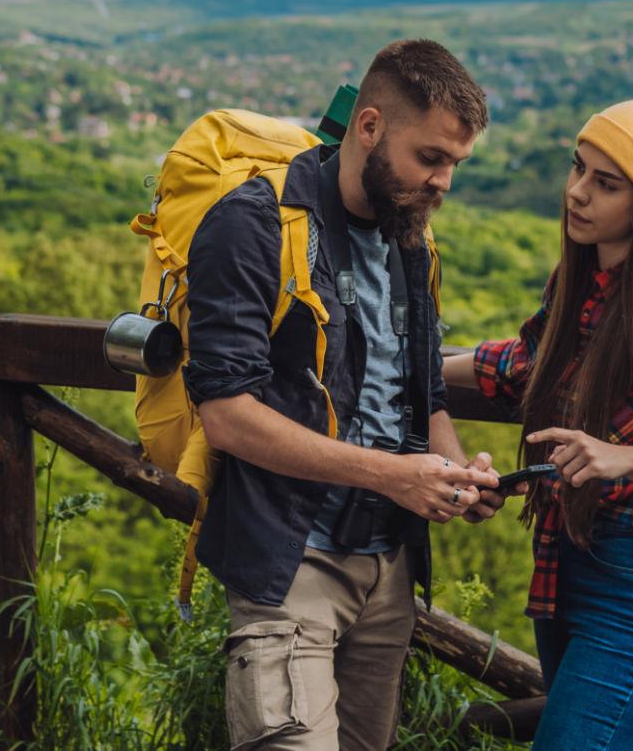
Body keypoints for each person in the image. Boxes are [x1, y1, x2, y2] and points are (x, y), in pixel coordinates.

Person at [184, 39, 506, 750]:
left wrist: (454, 474)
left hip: (386, 574)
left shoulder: (411, 239)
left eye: (455, 164)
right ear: (369, 128)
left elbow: (423, 391)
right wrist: (398, 475)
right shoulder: (253, 225)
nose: (444, 183)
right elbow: (228, 415)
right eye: (431, 158)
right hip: (290, 563)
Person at [443, 96, 633, 749]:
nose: (577, 194)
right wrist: (423, 362)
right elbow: (531, 363)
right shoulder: (582, 282)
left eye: (605, 183)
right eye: (578, 169)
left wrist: (623, 457)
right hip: (564, 568)